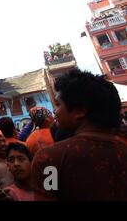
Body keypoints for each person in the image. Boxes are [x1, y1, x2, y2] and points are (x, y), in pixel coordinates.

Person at [31, 70, 127, 200]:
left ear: (79, 111)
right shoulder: (122, 148)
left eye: (58, 104)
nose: (55, 111)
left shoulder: (49, 160)